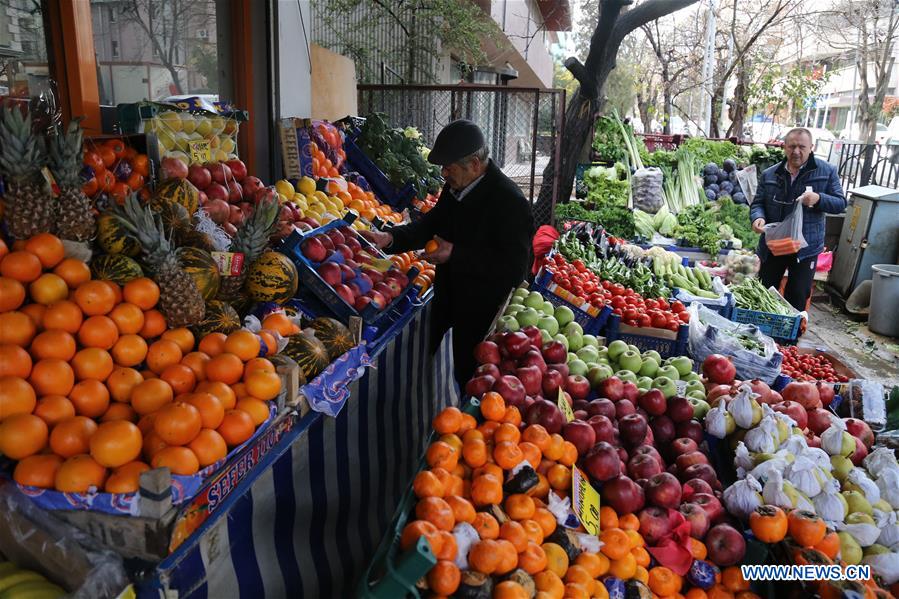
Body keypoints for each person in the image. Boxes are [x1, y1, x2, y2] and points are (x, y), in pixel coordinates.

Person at [361, 119, 534, 389]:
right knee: (456, 373)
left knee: (473, 381)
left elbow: (514, 269)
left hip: (482, 316)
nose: (443, 174)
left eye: (449, 167)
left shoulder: (509, 202)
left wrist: (456, 254)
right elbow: (431, 225)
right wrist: (391, 238)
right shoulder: (457, 187)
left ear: (475, 164)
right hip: (450, 304)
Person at [749, 127, 846, 310]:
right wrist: (757, 218)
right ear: (784, 147)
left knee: (797, 296)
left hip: (805, 248)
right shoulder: (770, 174)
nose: (796, 151)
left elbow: (841, 203)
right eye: (792, 146)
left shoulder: (827, 171)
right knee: (762, 293)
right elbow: (758, 203)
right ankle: (761, 335)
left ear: (811, 147)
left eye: (802, 147)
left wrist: (819, 199)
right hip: (774, 245)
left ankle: (790, 338)